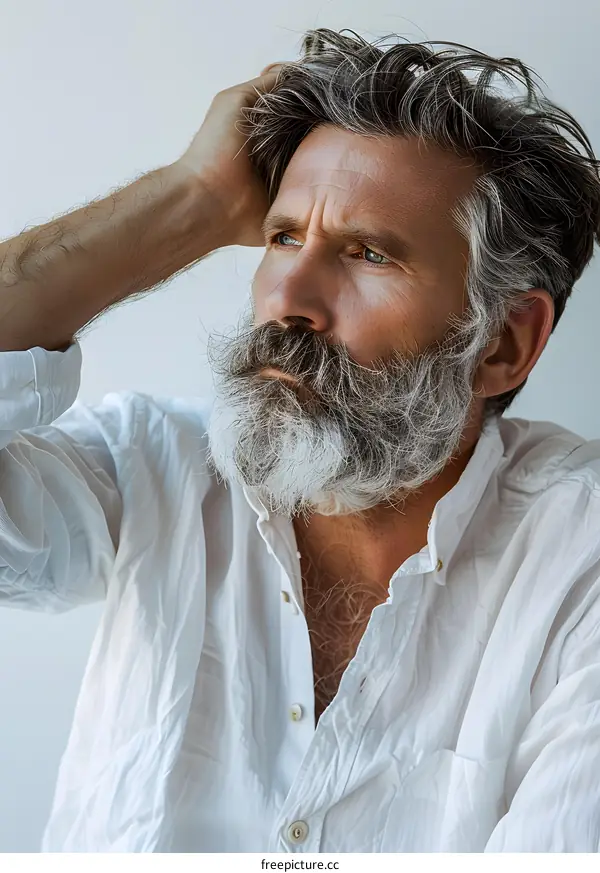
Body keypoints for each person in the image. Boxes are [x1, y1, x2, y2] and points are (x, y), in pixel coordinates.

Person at [1, 26, 600, 854]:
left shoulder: (578, 561)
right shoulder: (155, 469)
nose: (289, 298)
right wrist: (192, 200)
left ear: (502, 341)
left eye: (367, 253)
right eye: (283, 237)